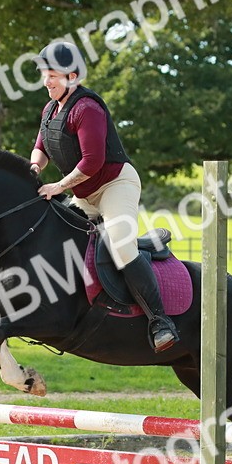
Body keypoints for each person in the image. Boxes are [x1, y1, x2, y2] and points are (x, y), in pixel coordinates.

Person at [30, 41, 179, 353]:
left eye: (53, 75)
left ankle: (160, 322)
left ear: (72, 76)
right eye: (45, 74)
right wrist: (32, 168)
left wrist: (58, 187)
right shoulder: (50, 109)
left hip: (114, 185)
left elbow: (92, 162)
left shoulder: (87, 109)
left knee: (121, 248)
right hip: (84, 192)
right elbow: (42, 148)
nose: (47, 81)